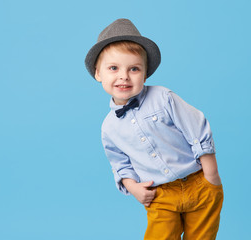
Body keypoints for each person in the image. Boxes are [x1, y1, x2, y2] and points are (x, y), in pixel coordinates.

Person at [85, 18, 224, 240]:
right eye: (113, 68)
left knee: (202, 237)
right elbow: (120, 163)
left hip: (199, 183)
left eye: (134, 68)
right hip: (160, 194)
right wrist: (133, 188)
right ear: (98, 74)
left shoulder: (163, 97)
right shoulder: (109, 127)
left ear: (145, 73)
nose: (124, 76)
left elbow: (196, 128)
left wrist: (211, 175)